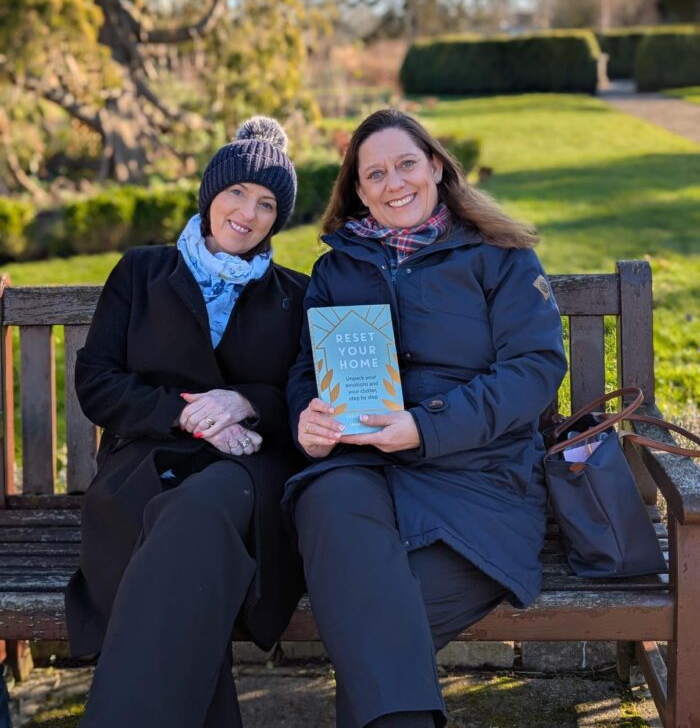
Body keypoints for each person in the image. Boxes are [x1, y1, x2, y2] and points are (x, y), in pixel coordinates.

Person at [286, 109, 568, 728]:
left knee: (375, 621)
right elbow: (309, 371)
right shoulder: (337, 271)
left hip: (477, 481)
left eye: (407, 164)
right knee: (326, 501)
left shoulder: (500, 257)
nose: (394, 184)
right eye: (376, 173)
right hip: (361, 472)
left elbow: (535, 368)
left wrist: (426, 424)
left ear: (436, 166)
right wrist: (307, 418)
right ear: (358, 190)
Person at [65, 117, 309, 728]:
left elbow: (304, 396)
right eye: (236, 194)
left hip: (247, 474)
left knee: (197, 513)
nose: (247, 214)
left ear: (277, 220)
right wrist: (188, 416)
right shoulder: (141, 272)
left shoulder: (295, 294)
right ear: (210, 194)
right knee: (175, 540)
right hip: (143, 466)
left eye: (266, 204)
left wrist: (244, 402)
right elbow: (98, 381)